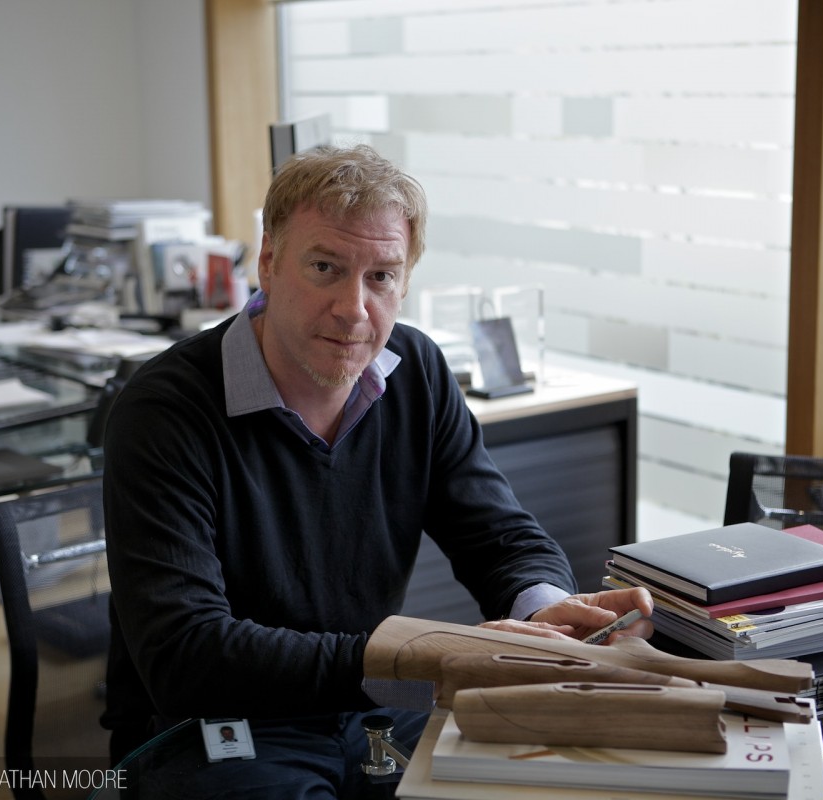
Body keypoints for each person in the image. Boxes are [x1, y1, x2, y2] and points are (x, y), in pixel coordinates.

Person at [101, 144, 653, 798]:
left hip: (366, 705)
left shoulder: (415, 370)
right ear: (269, 263)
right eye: (325, 267)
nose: (354, 309)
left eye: (382, 277)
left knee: (553, 782)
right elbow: (187, 656)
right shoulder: (165, 410)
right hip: (207, 724)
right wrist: (416, 657)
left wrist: (548, 610)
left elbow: (497, 534)